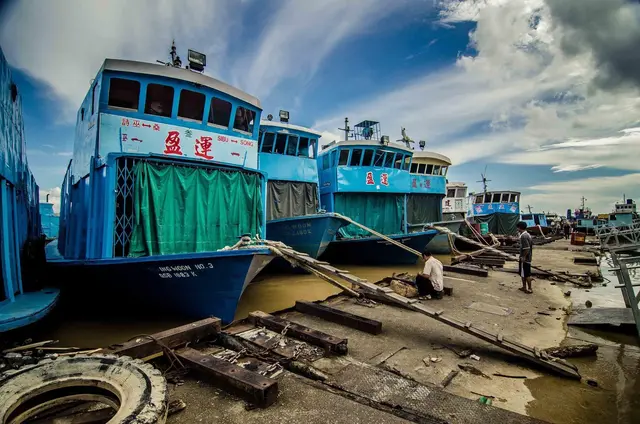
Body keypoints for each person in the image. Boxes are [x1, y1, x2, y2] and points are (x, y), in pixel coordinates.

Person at [517, 221, 533, 294]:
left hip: (526, 259)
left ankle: (529, 288)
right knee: (522, 273)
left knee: (527, 274)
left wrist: (523, 257)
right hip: (525, 257)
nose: (517, 229)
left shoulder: (524, 236)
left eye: (518, 227)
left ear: (519, 227)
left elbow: (527, 248)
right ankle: (524, 287)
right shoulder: (527, 234)